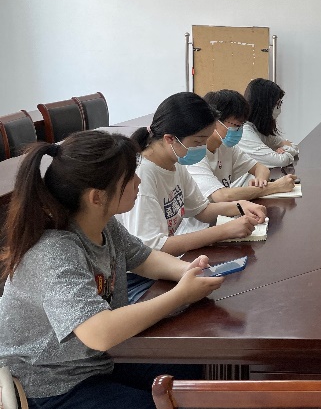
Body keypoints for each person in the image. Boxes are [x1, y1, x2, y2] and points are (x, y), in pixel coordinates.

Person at [0, 131, 224, 407]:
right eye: (129, 178)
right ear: (96, 197)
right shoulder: (54, 252)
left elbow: (143, 258)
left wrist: (188, 270)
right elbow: (99, 333)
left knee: (192, 368)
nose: (138, 181)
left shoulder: (102, 224)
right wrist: (180, 295)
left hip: (95, 362)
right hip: (49, 384)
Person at [118, 92, 267, 256]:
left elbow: (201, 210)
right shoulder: (142, 175)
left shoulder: (175, 161)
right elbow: (151, 247)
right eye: (198, 141)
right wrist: (224, 231)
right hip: (149, 268)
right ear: (170, 139)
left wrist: (240, 206)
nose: (203, 147)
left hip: (170, 261)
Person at [186, 89, 297, 203]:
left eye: (241, 125)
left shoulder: (227, 147)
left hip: (225, 211)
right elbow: (222, 196)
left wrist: (260, 182)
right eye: (235, 125)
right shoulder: (194, 155)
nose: (238, 131)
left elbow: (260, 168)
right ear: (214, 121)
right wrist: (274, 187)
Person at [238, 78, 299, 169]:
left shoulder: (256, 129)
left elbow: (293, 145)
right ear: (265, 105)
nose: (279, 108)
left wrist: (282, 150)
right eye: (278, 104)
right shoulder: (244, 132)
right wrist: (283, 151)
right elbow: (280, 161)